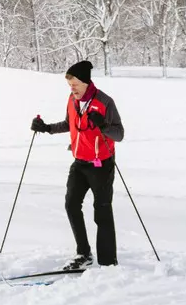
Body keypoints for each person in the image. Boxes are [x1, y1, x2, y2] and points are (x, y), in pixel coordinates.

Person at [32, 60, 124, 268]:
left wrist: (103, 125)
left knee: (102, 211)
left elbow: (119, 134)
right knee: (71, 205)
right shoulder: (72, 100)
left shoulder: (105, 102)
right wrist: (46, 128)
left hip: (102, 165)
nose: (71, 88)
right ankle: (83, 254)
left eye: (74, 84)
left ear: (85, 82)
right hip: (79, 162)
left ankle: (108, 262)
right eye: (69, 85)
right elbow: (68, 124)